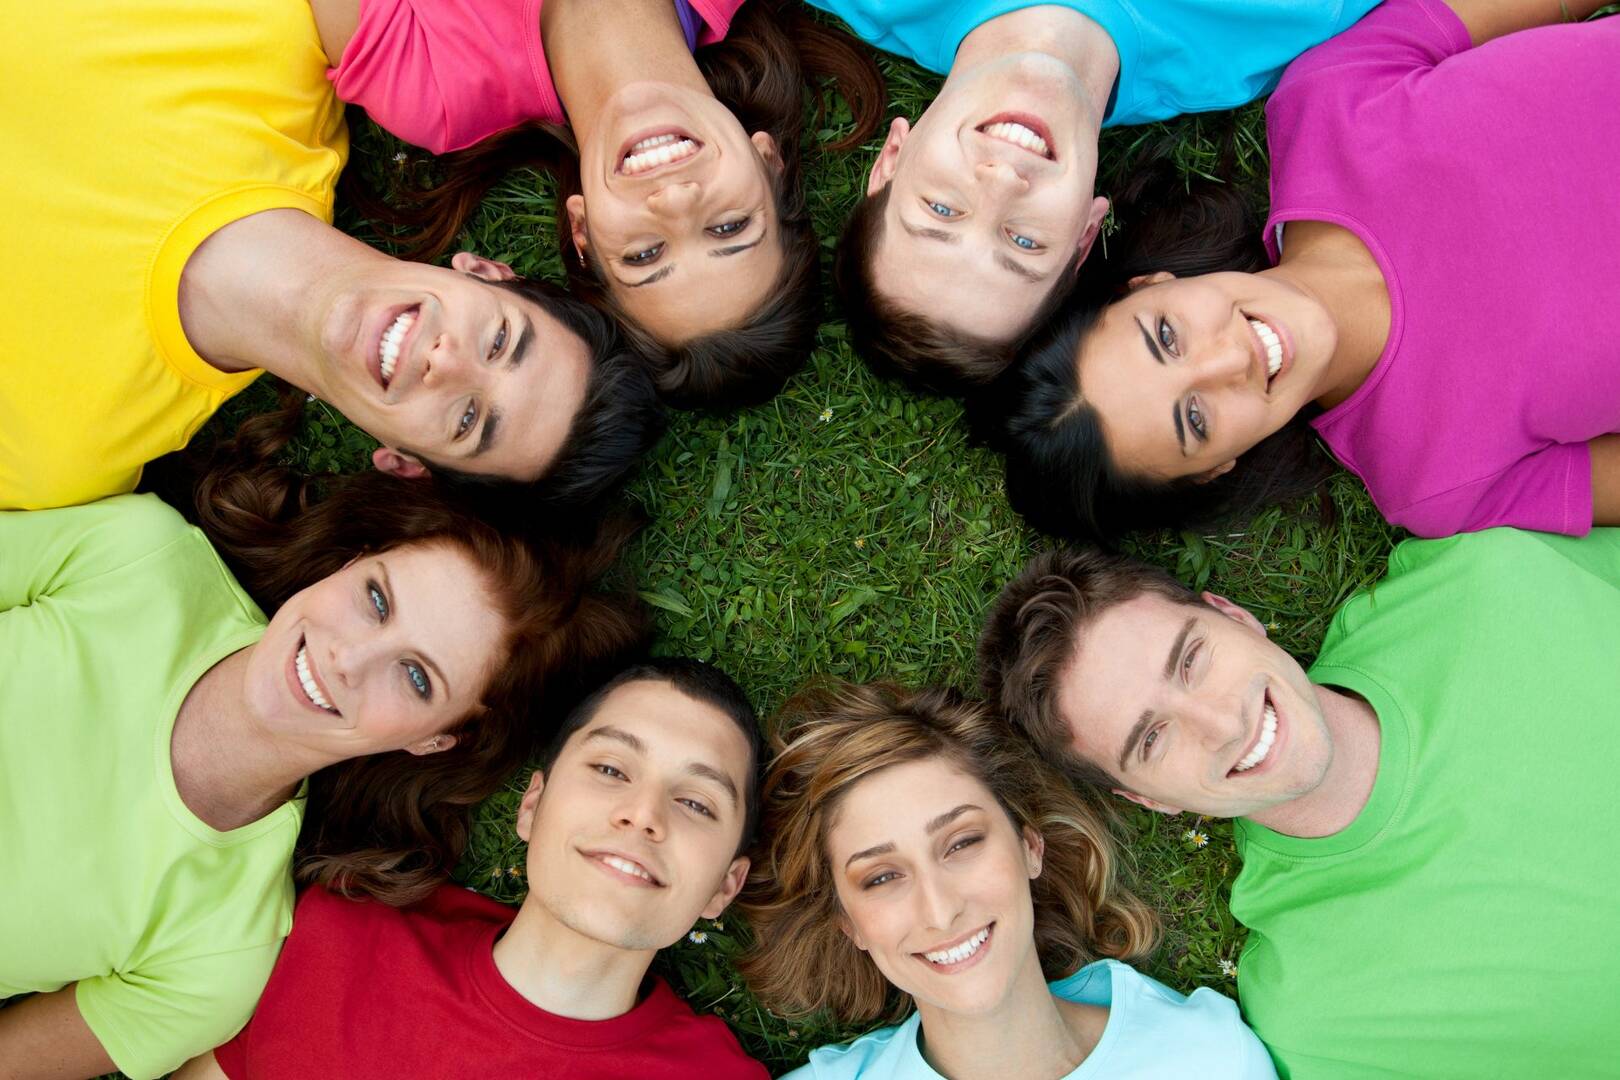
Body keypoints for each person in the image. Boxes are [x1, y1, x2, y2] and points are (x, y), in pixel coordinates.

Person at [0, 465, 641, 1079]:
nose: (348, 658)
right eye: (376, 599)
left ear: (435, 740)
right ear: (349, 563)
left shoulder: (218, 956)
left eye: (416, 677)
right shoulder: (133, 556)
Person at [979, 535, 1620, 1076]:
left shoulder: (1479, 579)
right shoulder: (1318, 1016)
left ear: (1234, 615)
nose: (1222, 723)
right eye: (1152, 739)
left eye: (1192, 659)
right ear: (1149, 800)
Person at [991, 0, 1620, 543]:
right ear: (1216, 468)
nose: (1228, 359)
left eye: (1166, 336)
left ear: (1152, 284)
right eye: (1196, 419)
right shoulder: (1439, 483)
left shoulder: (1325, 98)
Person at [1, 0, 660, 514]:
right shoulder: (276, 35)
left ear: (405, 461)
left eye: (468, 420)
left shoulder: (60, 459)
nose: (447, 362)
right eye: (498, 341)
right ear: (483, 272)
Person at [173, 659, 767, 1079]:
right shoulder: (338, 935)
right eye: (611, 769)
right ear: (532, 806)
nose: (643, 814)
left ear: (724, 886)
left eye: (696, 803)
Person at [817, 0, 1381, 396]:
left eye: (941, 210)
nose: (1004, 181)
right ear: (1085, 235)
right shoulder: (1267, 33)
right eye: (1024, 241)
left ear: (892, 161)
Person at [739, 681, 1273, 1079]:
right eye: (881, 877)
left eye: (962, 843)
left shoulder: (1209, 1058)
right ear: (849, 923)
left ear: (1029, 845)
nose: (940, 910)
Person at [372, 0, 885, 409]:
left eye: (644, 255)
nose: (675, 200)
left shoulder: (431, 87)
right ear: (768, 161)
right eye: (729, 227)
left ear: (583, 230)